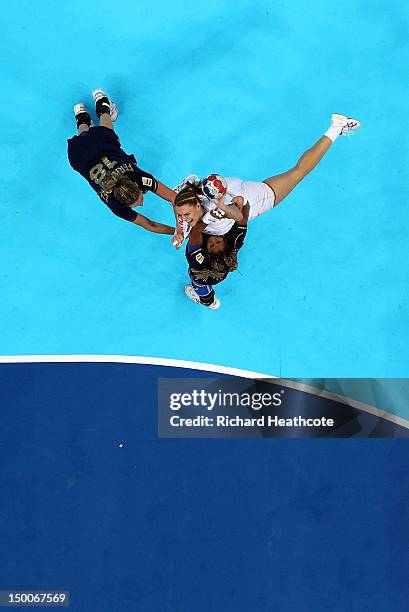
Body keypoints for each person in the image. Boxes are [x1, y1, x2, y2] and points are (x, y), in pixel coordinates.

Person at [176, 113, 360, 308]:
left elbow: (195, 230)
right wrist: (234, 204)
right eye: (218, 242)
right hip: (250, 198)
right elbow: (243, 214)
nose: (214, 240)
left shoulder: (198, 264)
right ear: (226, 247)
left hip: (221, 194)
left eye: (211, 244)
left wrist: (204, 217)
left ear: (207, 253)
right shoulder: (234, 242)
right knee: (298, 173)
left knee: (198, 277)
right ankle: (336, 128)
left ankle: (206, 298)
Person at [67, 89, 177, 235]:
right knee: (86, 136)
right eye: (138, 202)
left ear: (136, 185)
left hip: (94, 147)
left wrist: (179, 231)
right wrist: (182, 232)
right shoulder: (117, 205)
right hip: (80, 154)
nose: (142, 203)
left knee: (104, 128)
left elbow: (170, 202)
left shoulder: (137, 177)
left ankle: (98, 106)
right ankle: (87, 112)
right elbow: (151, 223)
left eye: (139, 199)